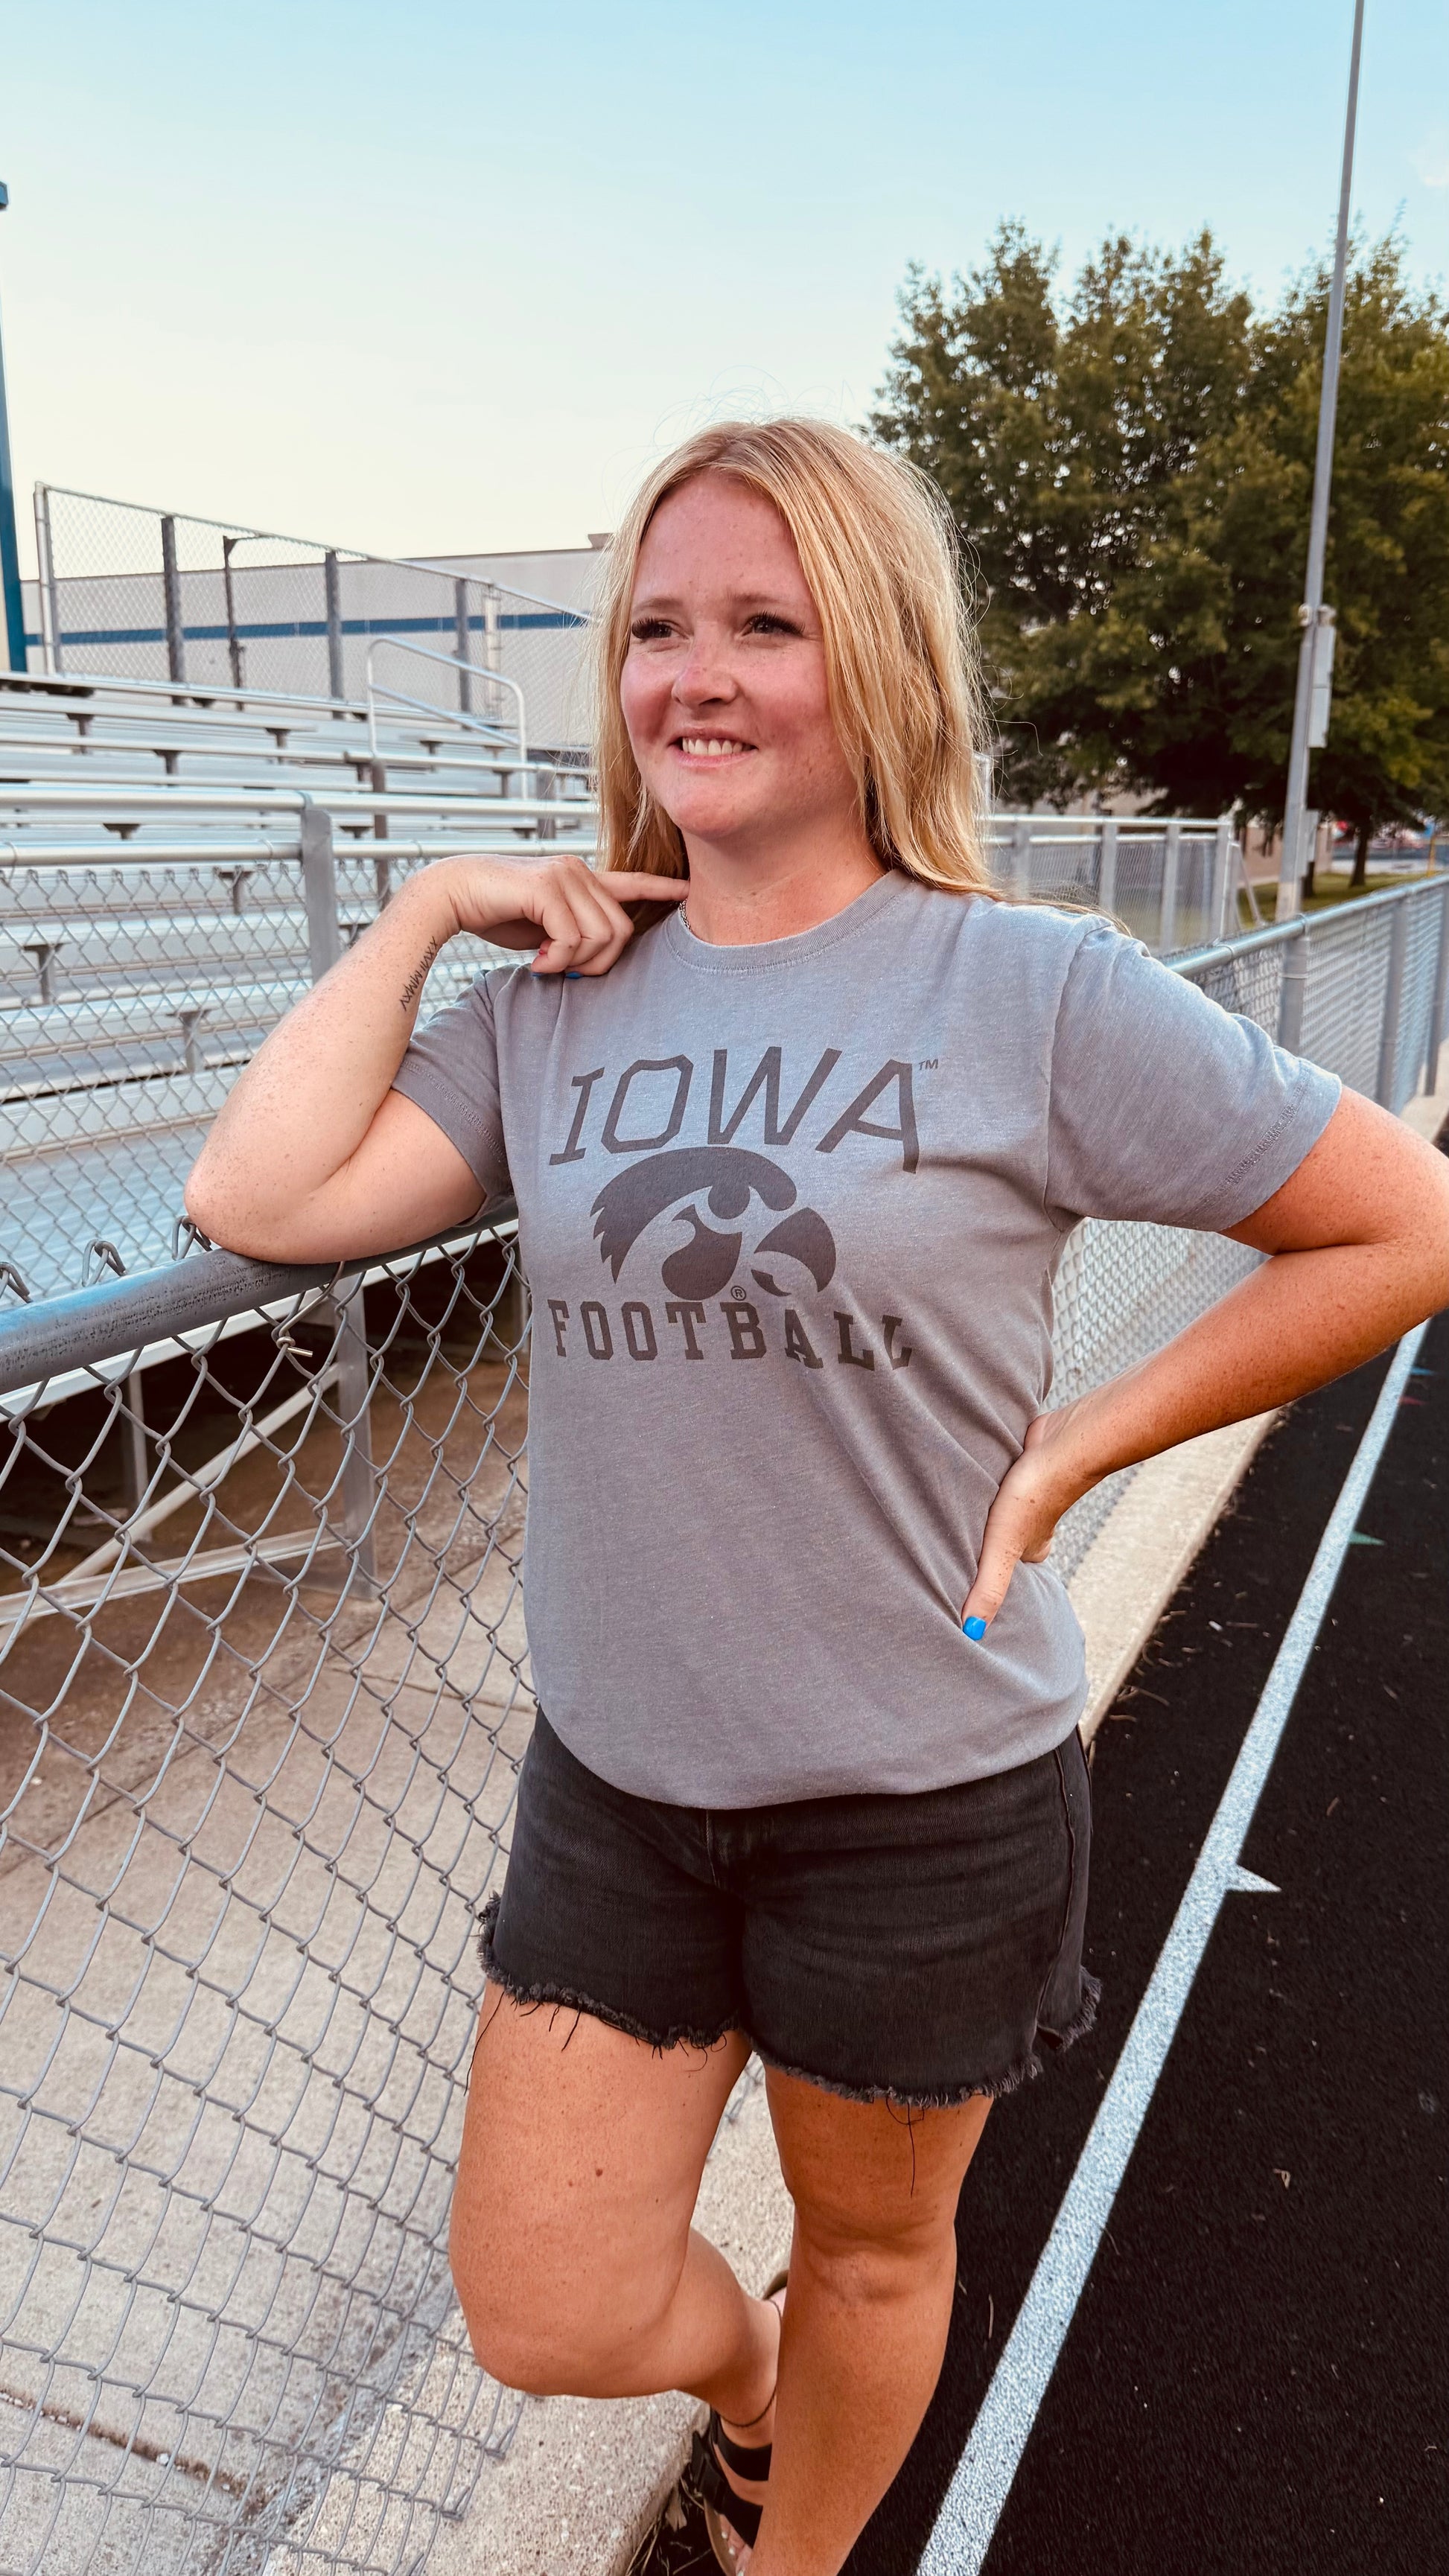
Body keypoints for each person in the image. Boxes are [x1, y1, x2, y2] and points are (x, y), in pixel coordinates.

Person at [185, 418, 1449, 2576]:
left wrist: (1080, 1442)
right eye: (657, 628)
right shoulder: (554, 1003)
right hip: (620, 1781)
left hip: (923, 1791)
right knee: (549, 2304)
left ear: (873, 666)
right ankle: (750, 2390)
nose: (694, 674)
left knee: (873, 2252)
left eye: (761, 625)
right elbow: (261, 1193)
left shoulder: (1031, 988)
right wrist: (424, 910)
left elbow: (1403, 1221)